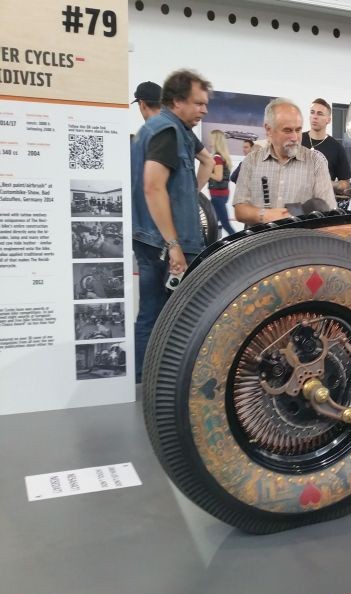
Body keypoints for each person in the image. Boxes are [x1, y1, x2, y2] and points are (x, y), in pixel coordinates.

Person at [131, 69, 214, 382]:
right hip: (165, 244)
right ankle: (159, 384)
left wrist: (189, 194)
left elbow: (207, 162)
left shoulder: (163, 129)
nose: (204, 110)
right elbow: (153, 187)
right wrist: (174, 244)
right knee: (172, 320)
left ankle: (145, 382)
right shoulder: (168, 131)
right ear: (177, 101)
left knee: (151, 313)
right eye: (198, 103)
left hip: (150, 239)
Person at [232, 98, 336, 224]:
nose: (295, 137)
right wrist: (265, 215)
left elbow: (329, 212)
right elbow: (240, 210)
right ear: (269, 130)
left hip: (301, 237)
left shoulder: (316, 163)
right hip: (261, 236)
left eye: (298, 130)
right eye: (288, 130)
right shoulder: (251, 161)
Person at [304, 98, 351, 192]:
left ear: (328, 120)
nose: (315, 117)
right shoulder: (297, 141)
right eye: (312, 112)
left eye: (320, 114)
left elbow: (345, 184)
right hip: (297, 198)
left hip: (322, 199)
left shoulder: (337, 148)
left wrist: (327, 183)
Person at [207, 129, 237, 236]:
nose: (209, 141)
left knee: (225, 224)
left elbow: (218, 177)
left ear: (216, 140)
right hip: (222, 194)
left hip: (217, 195)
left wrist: (206, 172)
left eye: (211, 139)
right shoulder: (222, 157)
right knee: (214, 223)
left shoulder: (217, 158)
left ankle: (239, 242)